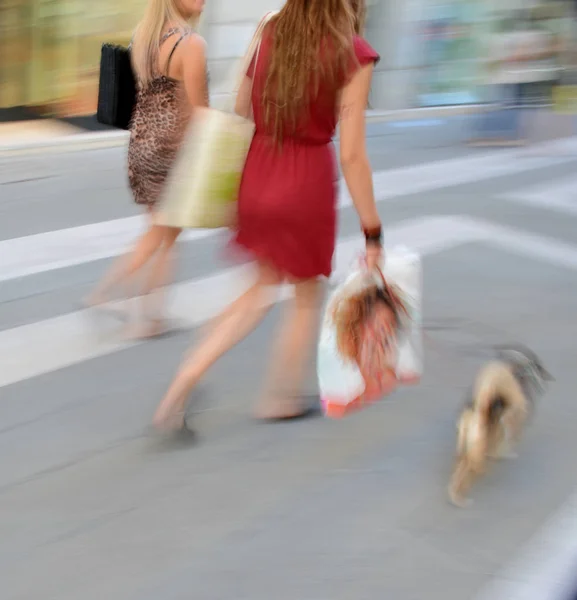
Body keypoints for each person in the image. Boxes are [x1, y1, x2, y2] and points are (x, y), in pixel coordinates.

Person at [153, 0, 383, 431]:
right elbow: (353, 156)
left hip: (259, 170)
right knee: (305, 296)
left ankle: (188, 374)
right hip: (304, 183)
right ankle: (278, 398)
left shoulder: (270, 29)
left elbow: (241, 107)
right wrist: (373, 234)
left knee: (259, 288)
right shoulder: (355, 52)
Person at [85, 0, 208, 338]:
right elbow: (201, 113)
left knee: (163, 232)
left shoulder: (144, 36)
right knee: (164, 234)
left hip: (141, 148)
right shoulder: (191, 44)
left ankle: (140, 311)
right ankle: (126, 307)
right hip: (172, 153)